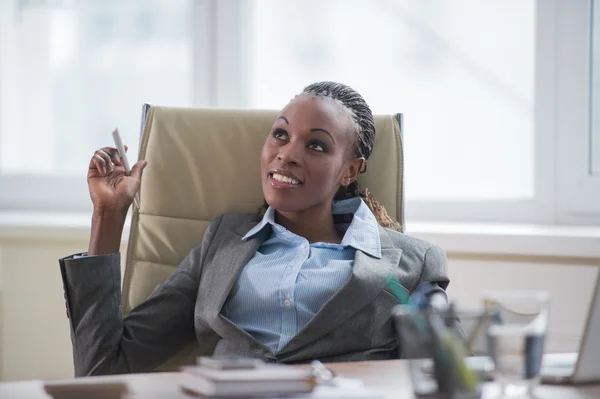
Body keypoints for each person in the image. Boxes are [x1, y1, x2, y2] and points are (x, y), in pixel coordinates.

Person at [59, 81, 450, 377]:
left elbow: (447, 378)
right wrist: (108, 217)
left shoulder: (412, 264)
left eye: (316, 146)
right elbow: (103, 369)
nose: (288, 154)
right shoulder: (222, 243)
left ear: (349, 170)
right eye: (280, 134)